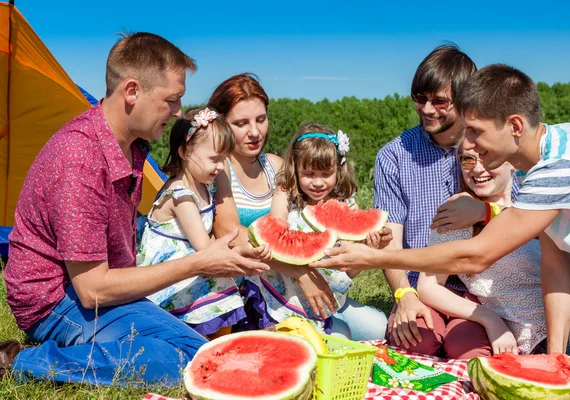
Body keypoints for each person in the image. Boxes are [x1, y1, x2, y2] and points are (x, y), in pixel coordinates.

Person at [0, 33, 268, 386]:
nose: (176, 113)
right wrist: (198, 263)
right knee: (188, 362)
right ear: (132, 91)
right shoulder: (79, 158)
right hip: (54, 301)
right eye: (171, 101)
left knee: (199, 353)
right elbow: (93, 290)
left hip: (102, 290)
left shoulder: (132, 145)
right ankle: (20, 360)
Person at [312, 64, 570, 362]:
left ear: (515, 126)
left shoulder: (555, 168)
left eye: (475, 132)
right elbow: (555, 266)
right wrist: (556, 359)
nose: (468, 143)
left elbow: (477, 254)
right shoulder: (541, 164)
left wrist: (374, 258)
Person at [373, 44, 512, 350]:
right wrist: (403, 296)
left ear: (465, 101)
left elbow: (524, 214)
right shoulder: (393, 157)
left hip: (484, 290)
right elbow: (390, 244)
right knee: (414, 346)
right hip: (418, 288)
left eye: (439, 102)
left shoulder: (494, 147)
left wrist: (484, 211)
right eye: (420, 99)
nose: (426, 109)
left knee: (473, 354)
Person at [416, 141, 570, 369]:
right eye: (468, 159)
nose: (478, 168)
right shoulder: (457, 215)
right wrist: (488, 317)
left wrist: (487, 212)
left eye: (488, 156)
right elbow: (428, 286)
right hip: (554, 339)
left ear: (513, 162)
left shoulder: (532, 209)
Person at [207, 74, 343, 333]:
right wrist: (299, 271)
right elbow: (231, 236)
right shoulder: (218, 170)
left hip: (293, 289)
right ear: (221, 124)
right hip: (243, 296)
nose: (255, 132)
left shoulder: (277, 167)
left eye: (261, 119)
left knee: (374, 326)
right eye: (241, 123)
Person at [136, 107, 269, 338]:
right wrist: (243, 257)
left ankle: (216, 345)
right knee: (220, 291)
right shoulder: (181, 195)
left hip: (193, 262)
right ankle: (207, 346)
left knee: (227, 290)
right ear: (185, 152)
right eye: (214, 159)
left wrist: (248, 248)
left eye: (223, 159)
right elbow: (204, 248)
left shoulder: (204, 186)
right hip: (171, 276)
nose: (220, 167)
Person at [259, 121, 389, 339]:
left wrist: (369, 248)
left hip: (332, 300)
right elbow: (275, 239)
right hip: (288, 302)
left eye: (326, 173)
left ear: (338, 169)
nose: (318, 183)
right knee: (341, 337)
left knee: (382, 328)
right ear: (295, 168)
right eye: (309, 173)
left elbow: (347, 272)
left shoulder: (346, 205)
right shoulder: (285, 196)